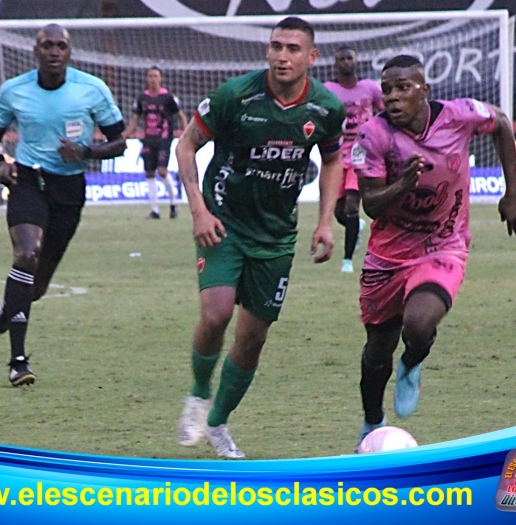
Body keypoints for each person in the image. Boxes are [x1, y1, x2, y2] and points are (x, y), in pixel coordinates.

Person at [174, 16, 345, 459]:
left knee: (253, 338)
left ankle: (218, 422)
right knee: (216, 314)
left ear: (312, 57)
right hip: (223, 222)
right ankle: (198, 394)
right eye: (276, 46)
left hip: (276, 235)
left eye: (292, 49)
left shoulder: (326, 108)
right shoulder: (235, 96)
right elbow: (186, 145)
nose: (282, 56)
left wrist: (325, 222)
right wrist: (199, 211)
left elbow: (332, 162)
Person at [351, 55, 516, 449]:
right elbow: (371, 205)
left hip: (444, 244)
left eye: (403, 88)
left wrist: (511, 193)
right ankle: (372, 423)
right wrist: (402, 185)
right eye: (387, 89)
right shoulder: (372, 136)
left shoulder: (459, 116)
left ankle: (412, 361)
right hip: (388, 255)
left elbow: (502, 123)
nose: (392, 97)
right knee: (376, 351)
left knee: (418, 323)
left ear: (424, 90)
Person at [0, 23, 126, 386]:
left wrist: (85, 151)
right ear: (35, 51)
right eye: (46, 45)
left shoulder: (92, 89)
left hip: (69, 188)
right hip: (27, 180)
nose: (53, 51)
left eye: (60, 45)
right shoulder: (13, 90)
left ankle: (9, 307)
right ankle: (18, 361)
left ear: (69, 51)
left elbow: (120, 142)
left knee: (37, 286)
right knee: (26, 254)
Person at [324, 47, 384, 273]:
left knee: (352, 205)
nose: (346, 62)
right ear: (335, 64)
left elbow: (385, 112)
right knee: (339, 211)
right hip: (336, 155)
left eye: (349, 58)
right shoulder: (328, 90)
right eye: (342, 59)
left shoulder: (370, 88)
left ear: (356, 61)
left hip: (361, 153)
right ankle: (355, 227)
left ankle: (347, 261)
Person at [123, 66, 188, 219]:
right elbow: (135, 119)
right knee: (149, 173)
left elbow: (181, 116)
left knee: (162, 170)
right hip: (148, 139)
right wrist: (125, 135)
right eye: (150, 76)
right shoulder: (142, 98)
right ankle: (155, 210)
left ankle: (174, 204)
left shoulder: (168, 97)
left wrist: (186, 133)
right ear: (147, 79)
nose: (153, 79)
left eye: (155, 76)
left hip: (164, 139)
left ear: (160, 78)